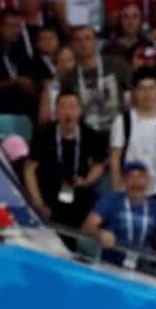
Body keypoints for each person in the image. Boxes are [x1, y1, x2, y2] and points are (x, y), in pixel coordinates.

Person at [25, 92, 107, 228]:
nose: (68, 112)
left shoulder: (91, 135)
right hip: (49, 193)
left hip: (78, 190)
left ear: (80, 111)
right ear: (56, 112)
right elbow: (29, 170)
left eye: (72, 107)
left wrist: (87, 180)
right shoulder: (44, 135)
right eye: (63, 107)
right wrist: (39, 204)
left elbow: (99, 165)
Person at [109, 69, 156, 201]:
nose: (147, 94)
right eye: (142, 89)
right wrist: (117, 190)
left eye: (151, 88)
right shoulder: (122, 121)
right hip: (129, 191)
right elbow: (115, 157)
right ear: (135, 92)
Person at [83, 161, 156, 265]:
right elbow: (88, 226)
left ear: (148, 180)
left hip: (142, 266)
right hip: (110, 263)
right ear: (124, 180)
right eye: (131, 176)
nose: (136, 181)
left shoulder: (154, 207)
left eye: (140, 176)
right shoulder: (111, 200)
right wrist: (100, 234)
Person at [63, 26, 126, 136]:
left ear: (96, 42)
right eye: (78, 40)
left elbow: (130, 96)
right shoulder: (70, 77)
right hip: (86, 134)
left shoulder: (116, 66)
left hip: (118, 129)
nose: (83, 43)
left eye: (88, 38)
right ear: (72, 45)